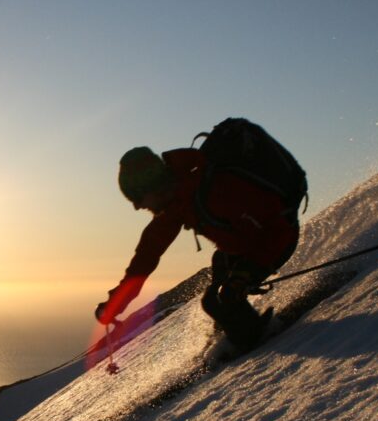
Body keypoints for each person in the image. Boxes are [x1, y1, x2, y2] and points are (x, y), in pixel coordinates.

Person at [95, 124, 303, 352]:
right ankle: (234, 334)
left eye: (137, 197)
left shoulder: (215, 191)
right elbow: (145, 259)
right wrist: (114, 304)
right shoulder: (176, 206)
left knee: (219, 299)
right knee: (218, 292)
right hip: (242, 249)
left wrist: (244, 275)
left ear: (153, 187)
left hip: (275, 242)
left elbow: (277, 230)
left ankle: (257, 339)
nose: (137, 206)